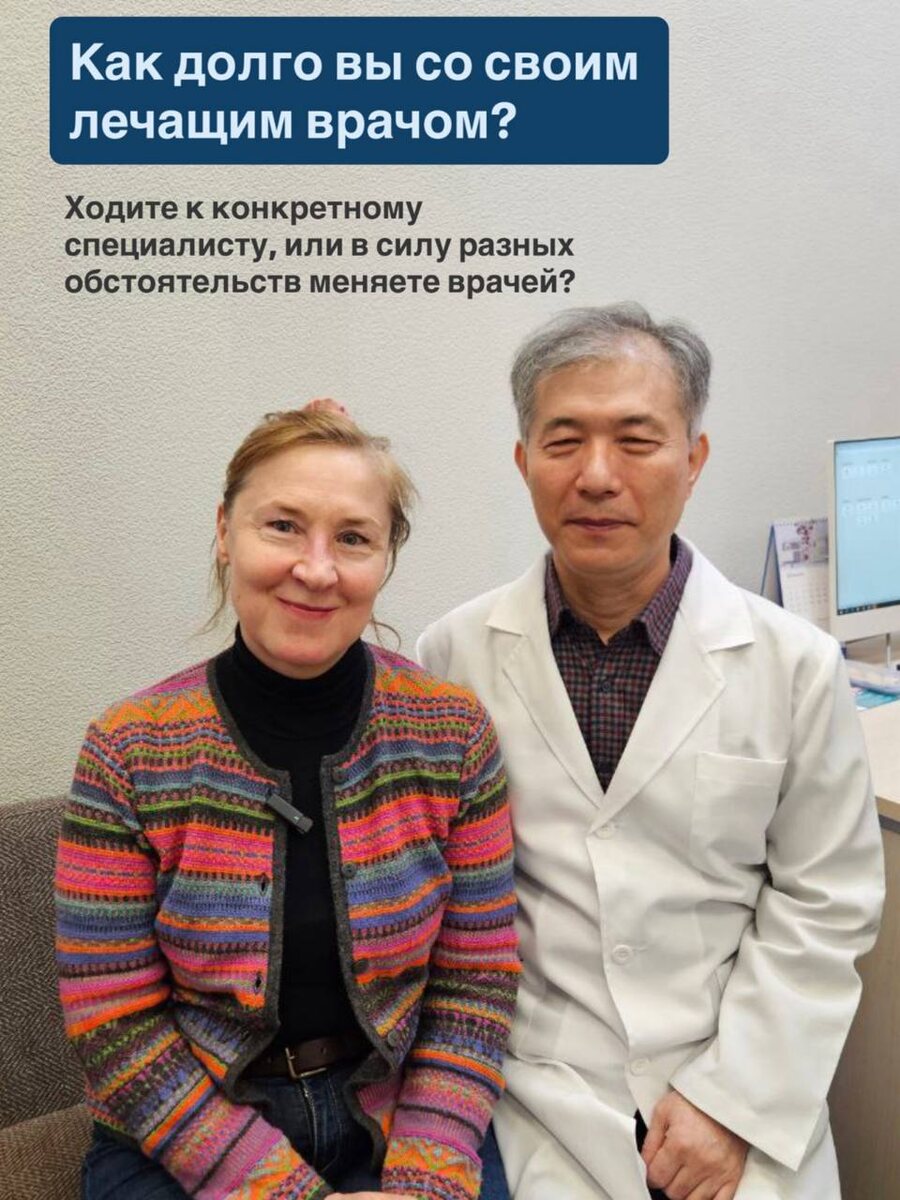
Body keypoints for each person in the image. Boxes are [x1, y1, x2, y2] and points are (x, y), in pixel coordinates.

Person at [416, 305, 885, 1200]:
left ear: (694, 460)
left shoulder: (795, 665)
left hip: (741, 1083)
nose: (597, 477)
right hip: (540, 1098)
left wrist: (731, 1103)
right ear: (523, 462)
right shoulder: (453, 657)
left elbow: (827, 903)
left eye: (637, 440)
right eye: (564, 442)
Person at [56, 407, 520, 1200]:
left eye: (353, 537)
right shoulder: (129, 750)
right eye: (283, 526)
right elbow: (112, 1020)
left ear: (385, 558)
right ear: (224, 532)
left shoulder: (453, 735)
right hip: (180, 1131)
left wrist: (426, 1178)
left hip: (399, 1116)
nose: (316, 568)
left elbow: (475, 985)